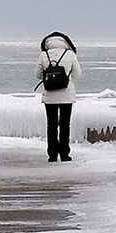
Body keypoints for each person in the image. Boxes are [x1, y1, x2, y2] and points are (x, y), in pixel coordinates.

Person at [35, 31, 82, 162]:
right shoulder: (70, 54)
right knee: (65, 125)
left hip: (49, 95)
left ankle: (52, 155)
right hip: (67, 95)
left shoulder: (44, 55)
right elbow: (78, 74)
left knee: (51, 125)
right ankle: (65, 154)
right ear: (65, 42)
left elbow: (38, 75)